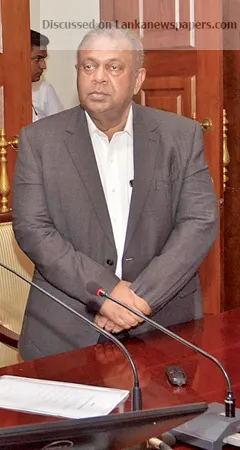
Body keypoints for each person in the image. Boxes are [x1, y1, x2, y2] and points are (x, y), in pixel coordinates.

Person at [12, 24, 219, 360]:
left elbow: (199, 222)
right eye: (89, 66)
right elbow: (32, 229)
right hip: (66, 328)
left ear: (137, 79)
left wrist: (140, 299)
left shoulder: (180, 136)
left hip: (163, 323)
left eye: (113, 67)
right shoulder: (39, 140)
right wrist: (106, 292)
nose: (98, 78)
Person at [31, 30, 64, 122]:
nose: (43, 66)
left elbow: (60, 125)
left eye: (44, 59)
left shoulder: (44, 89)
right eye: (38, 59)